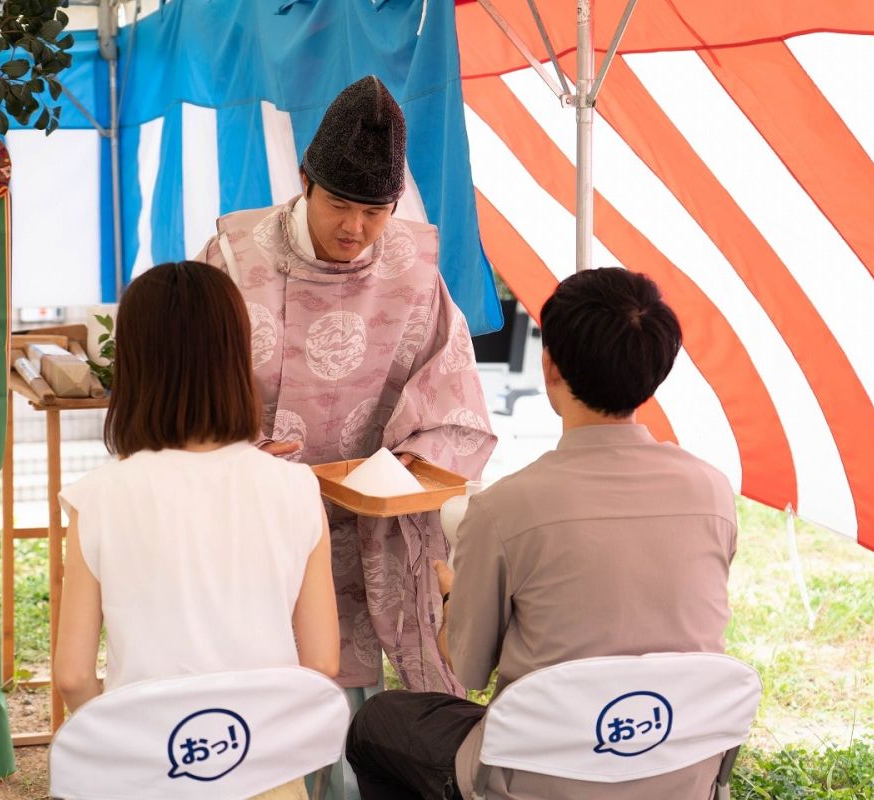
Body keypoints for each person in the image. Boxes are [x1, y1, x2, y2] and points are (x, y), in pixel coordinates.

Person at [345, 268, 739, 799]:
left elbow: (466, 667)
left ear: (549, 364)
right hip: (679, 765)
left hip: (538, 778)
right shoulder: (713, 492)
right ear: (658, 368)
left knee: (379, 722)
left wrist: (452, 598)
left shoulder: (505, 508)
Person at [197, 75, 496, 699]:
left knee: (366, 698)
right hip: (259, 508)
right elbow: (186, 387)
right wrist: (236, 448)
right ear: (304, 183)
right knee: (267, 684)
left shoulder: (414, 270)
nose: (355, 228)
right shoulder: (232, 259)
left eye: (374, 211)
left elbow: (454, 396)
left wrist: (415, 461)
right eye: (339, 205)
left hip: (373, 517)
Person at [54, 261, 339, 800]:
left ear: (135, 364)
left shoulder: (97, 498)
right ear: (235, 356)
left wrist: (125, 747)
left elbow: (72, 675)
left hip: (143, 772)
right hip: (264, 768)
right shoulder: (298, 489)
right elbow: (322, 662)